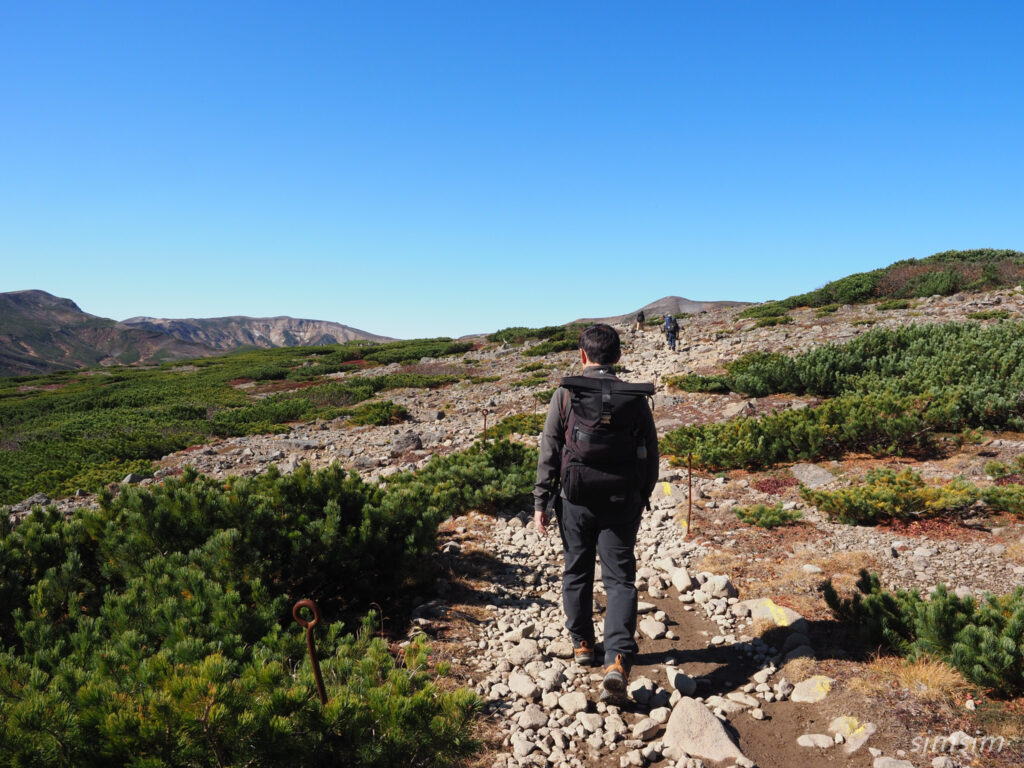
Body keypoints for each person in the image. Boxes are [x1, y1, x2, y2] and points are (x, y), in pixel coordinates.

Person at [534, 324, 659, 699]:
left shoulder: (566, 392)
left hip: (575, 499)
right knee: (620, 579)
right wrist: (642, 496)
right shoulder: (635, 398)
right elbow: (651, 455)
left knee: (577, 568)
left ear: (582, 356)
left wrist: (541, 500)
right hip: (623, 500)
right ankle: (618, 657)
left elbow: (550, 448)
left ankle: (583, 645)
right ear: (618, 357)